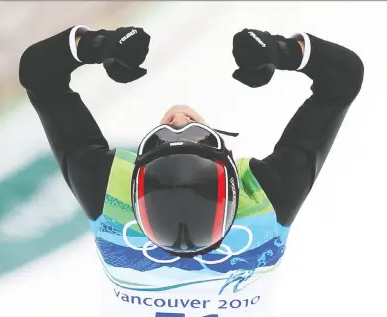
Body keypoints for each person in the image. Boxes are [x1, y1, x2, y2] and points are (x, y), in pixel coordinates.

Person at [19, 23, 364, 317]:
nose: (179, 117)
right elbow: (343, 80)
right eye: (200, 136)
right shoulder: (265, 196)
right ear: (232, 173)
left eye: (160, 137)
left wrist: (97, 45)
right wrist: (282, 51)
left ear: (136, 178)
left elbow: (38, 73)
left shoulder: (110, 190)